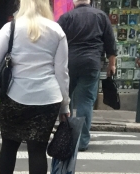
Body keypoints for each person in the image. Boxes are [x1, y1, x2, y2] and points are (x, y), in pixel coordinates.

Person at [0, 0, 70, 174]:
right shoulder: (57, 30)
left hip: (15, 94)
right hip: (48, 97)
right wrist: (65, 104)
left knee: (9, 145)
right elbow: (62, 72)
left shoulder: (11, 27)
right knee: (37, 150)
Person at [58, 0, 116, 151]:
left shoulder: (66, 17)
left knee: (65, 99)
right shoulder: (101, 16)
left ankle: (66, 135)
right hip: (91, 63)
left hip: (69, 63)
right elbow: (110, 43)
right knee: (85, 102)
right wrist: (112, 65)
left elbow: (56, 42)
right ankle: (82, 141)